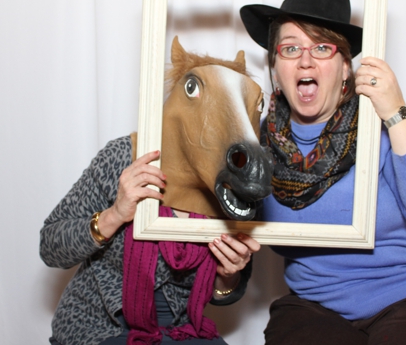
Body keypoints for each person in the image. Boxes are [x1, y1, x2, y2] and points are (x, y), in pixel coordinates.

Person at [240, 0, 406, 344]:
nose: (304, 59)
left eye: (321, 48)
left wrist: (396, 111)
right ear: (276, 67)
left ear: (346, 67)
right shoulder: (253, 141)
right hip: (314, 308)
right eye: (290, 49)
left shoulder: (380, 126)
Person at [40, 133, 260, 345]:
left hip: (181, 330)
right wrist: (114, 216)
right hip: (97, 325)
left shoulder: (237, 178)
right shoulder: (126, 157)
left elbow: (225, 293)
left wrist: (227, 276)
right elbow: (50, 246)